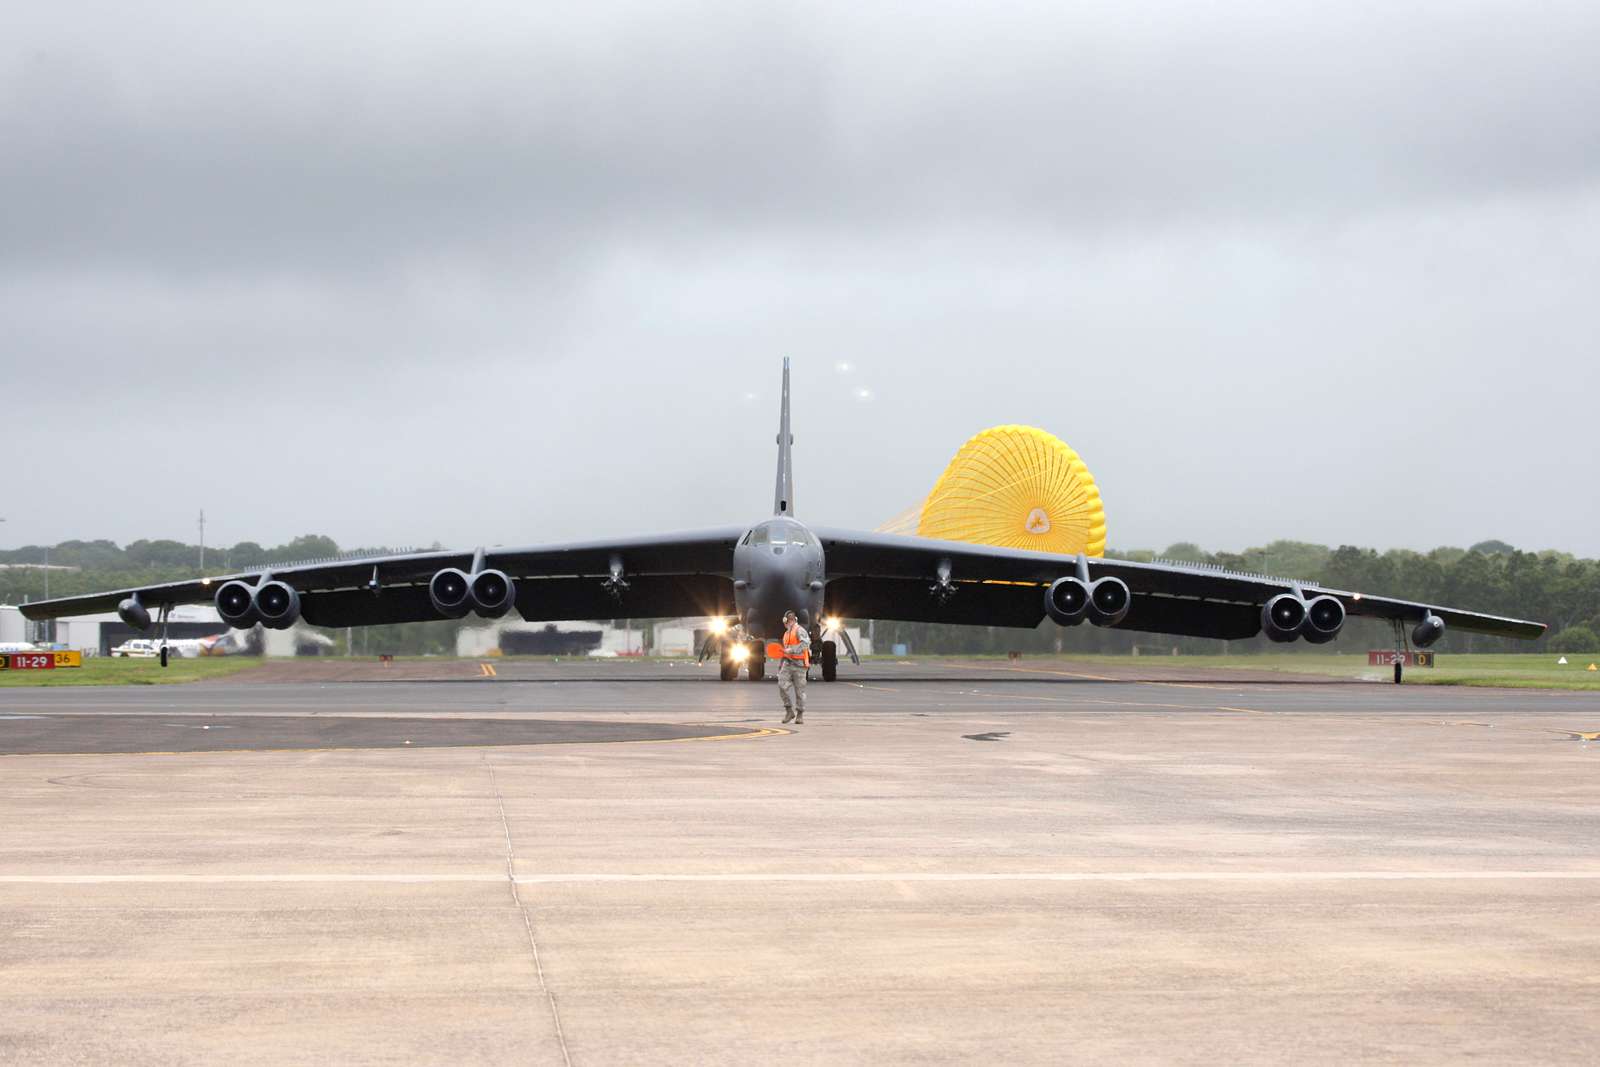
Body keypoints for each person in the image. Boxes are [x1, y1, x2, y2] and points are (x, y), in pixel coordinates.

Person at [777, 609, 810, 724]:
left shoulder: (800, 630)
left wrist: (792, 650)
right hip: (787, 664)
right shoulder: (786, 634)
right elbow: (784, 651)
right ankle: (789, 711)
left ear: (787, 620)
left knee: (799, 692)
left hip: (800, 665)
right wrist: (781, 664)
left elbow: (805, 644)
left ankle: (800, 714)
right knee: (781, 685)